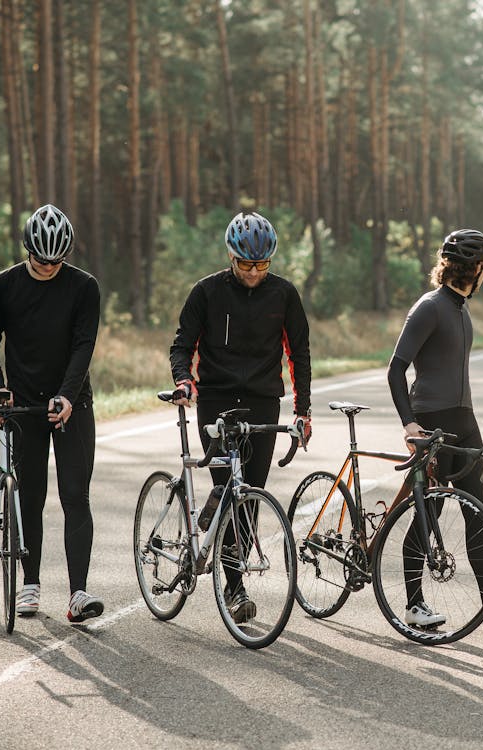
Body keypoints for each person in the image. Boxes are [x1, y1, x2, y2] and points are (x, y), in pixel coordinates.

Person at [387, 228, 483, 629]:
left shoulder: (459, 307)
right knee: (428, 512)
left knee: (478, 511)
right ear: (480, 269)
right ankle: (414, 606)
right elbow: (396, 368)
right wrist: (410, 424)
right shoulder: (430, 307)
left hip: (464, 423)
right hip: (432, 422)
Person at [169, 210, 312, 623]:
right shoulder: (207, 292)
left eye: (262, 264)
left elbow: (298, 354)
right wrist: (184, 382)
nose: (254, 272)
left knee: (250, 497)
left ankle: (230, 568)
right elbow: (182, 346)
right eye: (247, 264)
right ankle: (235, 587)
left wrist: (303, 412)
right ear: (231, 257)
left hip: (264, 402)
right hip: (215, 400)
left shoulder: (284, 295)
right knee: (228, 487)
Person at [0, 203, 104, 624]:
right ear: (27, 249)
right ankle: (29, 585)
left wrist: (67, 396)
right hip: (24, 405)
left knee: (74, 496)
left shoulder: (84, 287)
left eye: (57, 261)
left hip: (72, 406)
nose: (48, 267)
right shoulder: (1, 287)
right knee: (30, 496)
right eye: (40, 259)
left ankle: (78, 594)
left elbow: (84, 344)